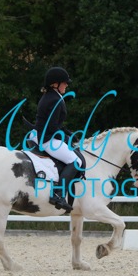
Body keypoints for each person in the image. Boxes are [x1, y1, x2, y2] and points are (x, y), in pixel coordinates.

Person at [32, 66, 83, 212]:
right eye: (64, 82)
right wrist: (66, 137)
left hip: (44, 135)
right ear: (55, 84)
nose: (67, 85)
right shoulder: (54, 99)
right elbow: (53, 127)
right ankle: (58, 194)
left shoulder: (52, 96)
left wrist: (68, 133)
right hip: (47, 139)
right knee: (76, 161)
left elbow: (55, 124)